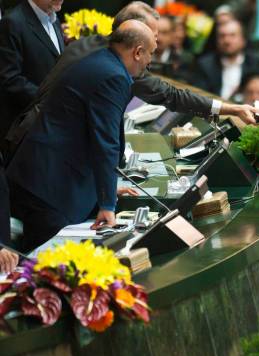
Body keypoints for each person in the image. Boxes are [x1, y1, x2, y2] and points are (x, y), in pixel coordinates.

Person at [2, 2, 257, 159]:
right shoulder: (111, 66)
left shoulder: (89, 45)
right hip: (40, 153)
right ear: (134, 37)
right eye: (152, 38)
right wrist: (230, 108)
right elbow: (170, 95)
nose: (156, 46)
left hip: (35, 142)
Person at [7, 20, 156, 252]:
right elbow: (105, 141)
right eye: (151, 54)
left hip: (45, 176)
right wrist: (107, 204)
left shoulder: (100, 61)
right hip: (49, 187)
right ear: (138, 52)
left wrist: (105, 189)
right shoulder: (114, 76)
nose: (150, 62)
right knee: (47, 267)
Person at [0, 0, 64, 140]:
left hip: (50, 126)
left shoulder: (54, 19)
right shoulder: (12, 22)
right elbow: (9, 79)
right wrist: (50, 101)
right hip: (24, 131)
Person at [192, 19, 259, 100]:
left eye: (232, 35)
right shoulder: (205, 65)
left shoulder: (256, 64)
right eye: (222, 36)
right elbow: (200, 99)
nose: (227, 41)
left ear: (243, 40)